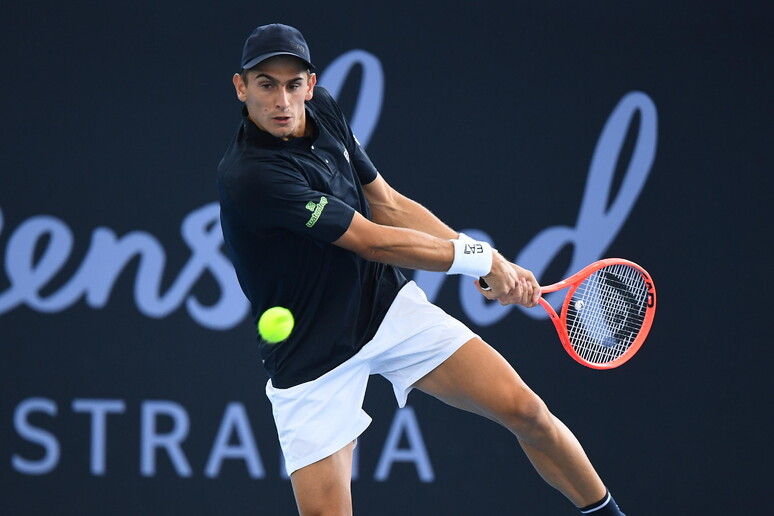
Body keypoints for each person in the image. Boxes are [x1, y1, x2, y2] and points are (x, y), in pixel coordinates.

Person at [217, 23, 627, 516]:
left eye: (292, 83)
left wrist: (483, 259)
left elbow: (387, 204)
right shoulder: (252, 177)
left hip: (384, 309)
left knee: (527, 411)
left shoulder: (322, 108)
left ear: (310, 82)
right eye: (266, 84)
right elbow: (373, 241)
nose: (282, 99)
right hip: (310, 356)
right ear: (242, 87)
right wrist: (483, 260)